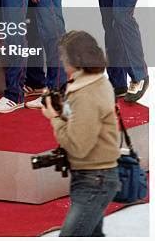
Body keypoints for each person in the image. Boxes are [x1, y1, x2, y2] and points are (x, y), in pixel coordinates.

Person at [42, 30, 120, 237]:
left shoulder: (86, 93)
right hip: (93, 176)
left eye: (63, 55)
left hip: (94, 178)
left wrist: (54, 118)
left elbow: (78, 145)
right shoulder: (93, 83)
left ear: (75, 59)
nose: (60, 59)